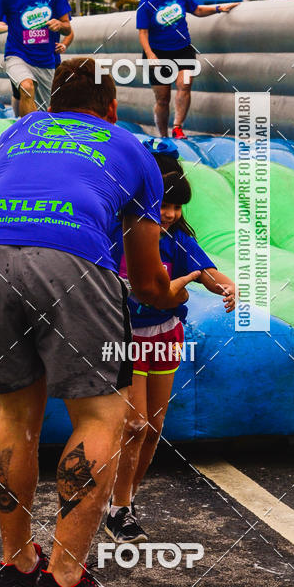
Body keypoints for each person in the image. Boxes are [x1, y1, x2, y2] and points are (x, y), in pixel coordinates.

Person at [0, 58, 199, 587]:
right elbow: (144, 280)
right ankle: (65, 580)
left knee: (14, 415)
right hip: (71, 253)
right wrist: (173, 297)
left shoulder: (18, 132)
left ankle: (17, 566)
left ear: (51, 104)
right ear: (111, 107)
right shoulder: (132, 149)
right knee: (102, 415)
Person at [105, 147, 236, 543]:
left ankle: (123, 503)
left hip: (164, 337)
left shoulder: (176, 239)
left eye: (178, 207)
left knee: (153, 427)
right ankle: (116, 507)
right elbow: (148, 295)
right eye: (165, 205)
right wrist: (186, 281)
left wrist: (226, 287)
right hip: (126, 338)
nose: (171, 214)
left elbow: (208, 271)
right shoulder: (121, 233)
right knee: (135, 424)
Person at [136, 0, 240, 139]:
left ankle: (177, 127)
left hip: (182, 49)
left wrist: (218, 8)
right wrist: (150, 54)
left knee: (184, 85)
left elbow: (197, 10)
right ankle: (163, 135)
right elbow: (143, 33)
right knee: (163, 99)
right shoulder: (146, 4)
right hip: (158, 53)